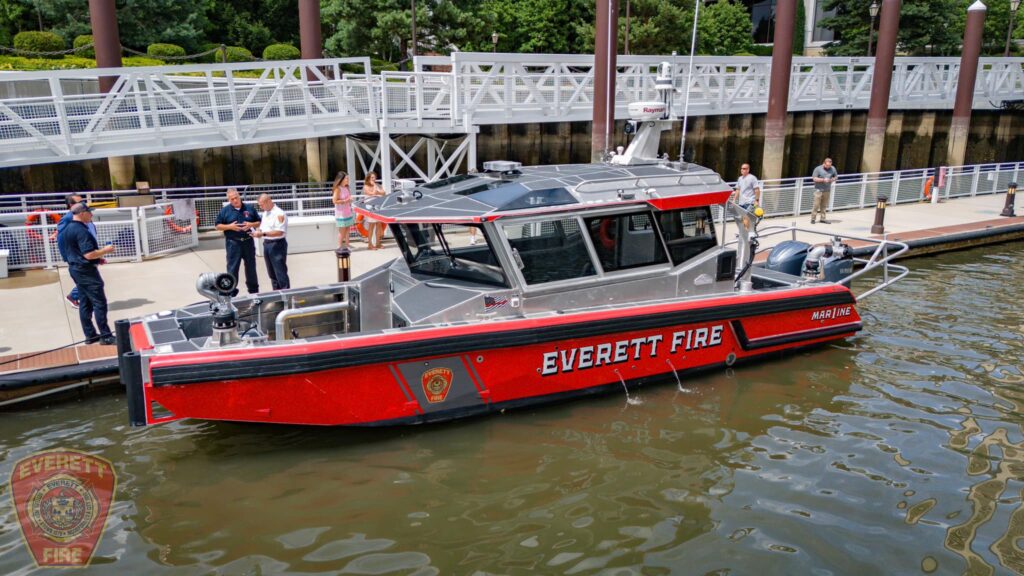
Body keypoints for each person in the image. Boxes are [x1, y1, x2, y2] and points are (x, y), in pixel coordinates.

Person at [58, 203, 115, 345]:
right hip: (86, 271)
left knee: (85, 302)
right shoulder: (81, 231)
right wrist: (105, 250)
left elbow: (72, 251)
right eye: (89, 212)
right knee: (99, 302)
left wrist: (98, 258)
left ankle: (90, 335)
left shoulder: (66, 229)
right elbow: (89, 254)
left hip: (76, 269)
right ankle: (106, 335)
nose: (91, 215)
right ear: (82, 213)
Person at [214, 188, 261, 295]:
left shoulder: (249, 208)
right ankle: (231, 292)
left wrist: (251, 225)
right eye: (232, 199)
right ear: (229, 200)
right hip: (233, 244)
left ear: (239, 196)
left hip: (248, 242)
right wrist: (230, 227)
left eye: (236, 198)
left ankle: (254, 291)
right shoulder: (225, 211)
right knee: (232, 269)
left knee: (251, 268)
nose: (235, 200)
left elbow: (258, 222)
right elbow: (217, 226)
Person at [56, 194, 94, 309]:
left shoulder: (84, 214)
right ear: (72, 205)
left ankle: (82, 299)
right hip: (79, 255)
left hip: (87, 251)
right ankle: (74, 296)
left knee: (89, 278)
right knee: (88, 279)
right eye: (80, 202)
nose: (84, 204)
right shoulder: (69, 217)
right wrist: (67, 256)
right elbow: (61, 236)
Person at [251, 193, 290, 291]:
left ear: (268, 201)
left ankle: (286, 294)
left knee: (280, 272)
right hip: (267, 244)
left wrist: (262, 234)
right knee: (271, 273)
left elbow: (279, 232)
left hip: (277, 244)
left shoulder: (279, 213)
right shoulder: (265, 213)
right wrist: (259, 231)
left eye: (261, 204)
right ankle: (276, 294)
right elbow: (263, 227)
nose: (260, 207)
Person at [732, 163, 761, 230]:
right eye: (741, 168)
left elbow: (757, 190)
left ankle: (746, 233)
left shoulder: (752, 178)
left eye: (744, 168)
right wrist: (734, 199)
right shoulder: (740, 178)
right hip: (741, 202)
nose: (742, 170)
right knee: (741, 218)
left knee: (746, 217)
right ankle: (745, 232)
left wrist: (756, 200)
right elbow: (738, 190)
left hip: (749, 202)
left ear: (748, 170)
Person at [362, 172, 387, 250]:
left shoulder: (377, 185)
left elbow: (383, 193)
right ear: (368, 178)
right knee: (371, 226)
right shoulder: (366, 186)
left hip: (377, 207)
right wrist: (375, 188)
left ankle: (378, 243)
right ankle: (370, 244)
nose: (374, 179)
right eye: (372, 177)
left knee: (378, 225)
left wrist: (377, 190)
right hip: (370, 208)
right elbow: (371, 193)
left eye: (374, 177)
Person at [811, 157, 838, 224]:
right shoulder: (818, 169)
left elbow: (836, 177)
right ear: (824, 163)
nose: (828, 167)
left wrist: (832, 179)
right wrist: (823, 180)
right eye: (827, 165)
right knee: (816, 205)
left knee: (824, 205)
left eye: (830, 166)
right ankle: (813, 219)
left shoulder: (833, 168)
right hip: (818, 190)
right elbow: (814, 179)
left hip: (827, 190)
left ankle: (823, 219)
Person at [332, 171, 355, 249]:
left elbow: (348, 199)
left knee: (348, 230)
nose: (348, 180)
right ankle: (339, 246)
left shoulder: (346, 187)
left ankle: (347, 245)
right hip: (341, 214)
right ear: (341, 179)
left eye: (348, 178)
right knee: (342, 231)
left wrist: (349, 200)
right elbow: (334, 201)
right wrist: (346, 200)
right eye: (346, 178)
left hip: (347, 212)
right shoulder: (338, 189)